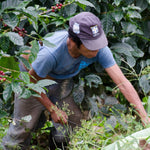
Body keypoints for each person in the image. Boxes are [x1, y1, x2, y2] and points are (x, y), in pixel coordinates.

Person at [1, 12, 150, 149]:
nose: (97, 50)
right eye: (92, 47)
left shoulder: (99, 48)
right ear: (73, 41)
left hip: (60, 80)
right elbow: (31, 81)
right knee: (22, 128)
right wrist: (52, 109)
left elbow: (122, 82)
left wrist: (144, 117)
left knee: (72, 122)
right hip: (32, 79)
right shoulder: (50, 54)